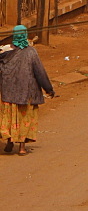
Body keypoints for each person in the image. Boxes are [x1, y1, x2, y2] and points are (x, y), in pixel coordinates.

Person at [0, 26, 55, 155]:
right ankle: (22, 147)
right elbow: (40, 72)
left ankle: (9, 142)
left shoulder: (4, 52)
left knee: (10, 119)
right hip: (26, 94)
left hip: (8, 93)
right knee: (23, 119)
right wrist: (48, 89)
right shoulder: (31, 52)